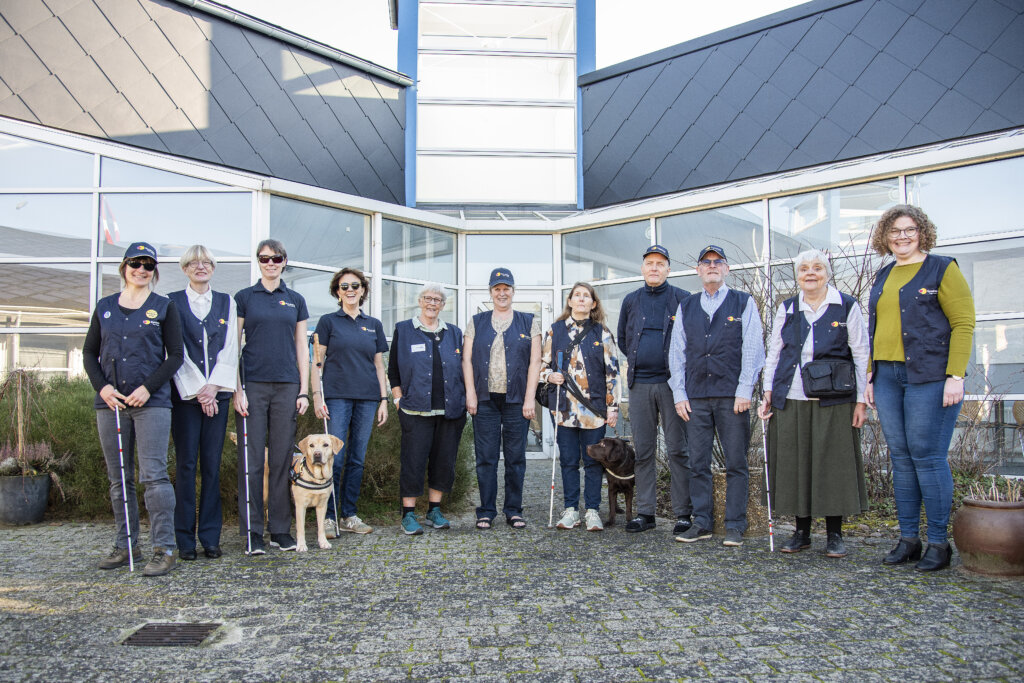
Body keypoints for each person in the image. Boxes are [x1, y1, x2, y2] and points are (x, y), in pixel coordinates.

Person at [866, 204, 975, 572]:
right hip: (887, 378)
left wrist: (955, 376)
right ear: (886, 236)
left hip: (929, 377)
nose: (902, 236)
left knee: (927, 457)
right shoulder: (883, 274)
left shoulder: (943, 268)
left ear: (922, 232)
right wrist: (869, 374)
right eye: (895, 230)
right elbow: (875, 329)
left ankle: (939, 544)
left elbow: (963, 323)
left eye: (909, 229)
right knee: (900, 458)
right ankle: (908, 539)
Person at [757, 249, 869, 557]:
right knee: (796, 464)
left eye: (817, 268)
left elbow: (861, 354)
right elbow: (775, 352)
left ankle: (834, 534)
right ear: (797, 275)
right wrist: (768, 391)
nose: (810, 273)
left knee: (832, 465)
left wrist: (862, 401)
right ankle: (801, 532)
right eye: (804, 268)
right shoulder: (788, 307)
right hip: (791, 396)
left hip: (834, 399)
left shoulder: (846, 305)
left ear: (827, 273)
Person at [84, 242, 183, 577]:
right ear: (124, 267)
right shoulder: (105, 307)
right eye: (135, 263)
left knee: (153, 477)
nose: (141, 270)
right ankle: (127, 544)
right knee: (119, 479)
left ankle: (164, 548)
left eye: (148, 265)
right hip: (110, 405)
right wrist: (103, 387)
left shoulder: (164, 307)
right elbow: (88, 353)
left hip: (150, 404)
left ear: (154, 271)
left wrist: (148, 388)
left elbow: (175, 356)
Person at [669, 245, 765, 546]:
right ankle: (702, 523)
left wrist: (744, 390)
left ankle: (735, 525)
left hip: (731, 397)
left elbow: (753, 350)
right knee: (698, 462)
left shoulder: (743, 302)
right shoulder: (687, 305)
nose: (712, 266)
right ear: (698, 270)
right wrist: (679, 393)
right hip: (695, 397)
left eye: (717, 262)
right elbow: (676, 353)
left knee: (736, 462)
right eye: (706, 262)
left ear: (726, 269)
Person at [234, 239, 310, 555]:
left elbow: (301, 347)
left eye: (276, 258)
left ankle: (279, 530)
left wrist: (304, 389)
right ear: (258, 262)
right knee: (252, 463)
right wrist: (237, 389)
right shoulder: (244, 298)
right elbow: (232, 347)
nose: (270, 263)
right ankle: (253, 533)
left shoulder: (295, 300)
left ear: (284, 261)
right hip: (252, 386)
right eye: (264, 258)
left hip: (287, 387)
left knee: (281, 461)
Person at [169, 245, 238, 561]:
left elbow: (230, 348)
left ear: (213, 267)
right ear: (184, 268)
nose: (200, 266)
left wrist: (213, 388)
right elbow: (174, 349)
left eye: (206, 262)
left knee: (211, 466)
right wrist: (199, 389)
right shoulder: (171, 302)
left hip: (218, 395)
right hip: (185, 396)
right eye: (194, 262)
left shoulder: (227, 302)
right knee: (185, 466)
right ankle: (184, 539)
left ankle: (210, 538)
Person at [616, 245, 691, 535]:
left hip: (673, 385)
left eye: (660, 263)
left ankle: (683, 513)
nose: (654, 268)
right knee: (644, 451)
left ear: (668, 269)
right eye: (649, 263)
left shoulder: (683, 299)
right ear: (643, 268)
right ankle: (645, 513)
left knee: (677, 450)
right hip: (640, 385)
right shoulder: (631, 301)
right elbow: (624, 338)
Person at [311, 267, 388, 537]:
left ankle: (349, 515)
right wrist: (317, 397)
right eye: (344, 286)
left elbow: (379, 365)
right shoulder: (328, 322)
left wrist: (383, 399)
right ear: (337, 291)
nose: (350, 290)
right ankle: (329, 517)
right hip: (337, 398)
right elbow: (316, 363)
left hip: (368, 399)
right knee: (336, 458)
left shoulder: (374, 324)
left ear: (363, 290)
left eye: (355, 285)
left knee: (357, 459)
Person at [463, 268, 542, 530]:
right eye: (497, 288)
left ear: (513, 291)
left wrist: (530, 398)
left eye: (506, 288)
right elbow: (466, 359)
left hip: (516, 400)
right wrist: (471, 393)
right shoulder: (477, 321)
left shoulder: (529, 321)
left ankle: (513, 510)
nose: (502, 292)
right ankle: (485, 510)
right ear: (491, 292)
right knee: (485, 457)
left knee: (515, 458)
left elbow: (535, 363)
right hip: (484, 400)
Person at [388, 284, 467, 535]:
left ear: (443, 305)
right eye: (428, 299)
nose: (432, 303)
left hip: (449, 411)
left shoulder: (454, 333)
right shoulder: (404, 330)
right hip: (415, 411)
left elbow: (464, 369)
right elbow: (393, 371)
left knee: (444, 462)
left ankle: (434, 510)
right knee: (413, 462)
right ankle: (408, 515)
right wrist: (398, 399)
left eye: (438, 300)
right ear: (420, 301)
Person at [542, 282, 621, 532]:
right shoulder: (555, 331)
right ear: (570, 301)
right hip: (563, 409)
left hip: (594, 410)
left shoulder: (602, 333)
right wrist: (548, 376)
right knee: (568, 460)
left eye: (586, 296)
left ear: (593, 303)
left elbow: (613, 372)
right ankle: (571, 510)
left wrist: (613, 407)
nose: (581, 299)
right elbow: (542, 365)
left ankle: (593, 511)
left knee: (593, 462)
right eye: (577, 295)